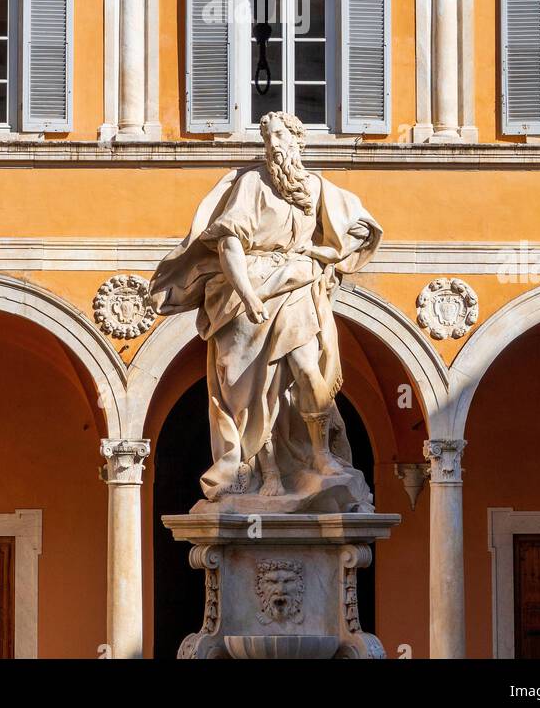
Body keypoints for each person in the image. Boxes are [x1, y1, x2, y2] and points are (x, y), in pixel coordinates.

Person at [150, 110, 383, 510]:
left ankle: (319, 455)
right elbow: (228, 243)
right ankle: (267, 470)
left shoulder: (318, 188)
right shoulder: (251, 184)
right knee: (255, 389)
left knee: (309, 371)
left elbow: (362, 230)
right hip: (246, 290)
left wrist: (323, 254)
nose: (274, 144)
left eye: (281, 136)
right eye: (268, 137)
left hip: (298, 284)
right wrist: (249, 294)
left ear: (299, 141)